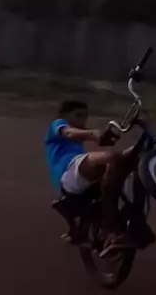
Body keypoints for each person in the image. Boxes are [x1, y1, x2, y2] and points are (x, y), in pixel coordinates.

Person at [44, 99, 133, 253]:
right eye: (78, 116)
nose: (82, 121)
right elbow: (69, 132)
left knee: (127, 159)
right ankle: (111, 227)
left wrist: (105, 138)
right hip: (66, 171)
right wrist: (93, 134)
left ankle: (119, 224)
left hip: (78, 173)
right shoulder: (57, 125)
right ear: (64, 115)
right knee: (112, 157)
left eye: (85, 117)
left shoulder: (78, 139)